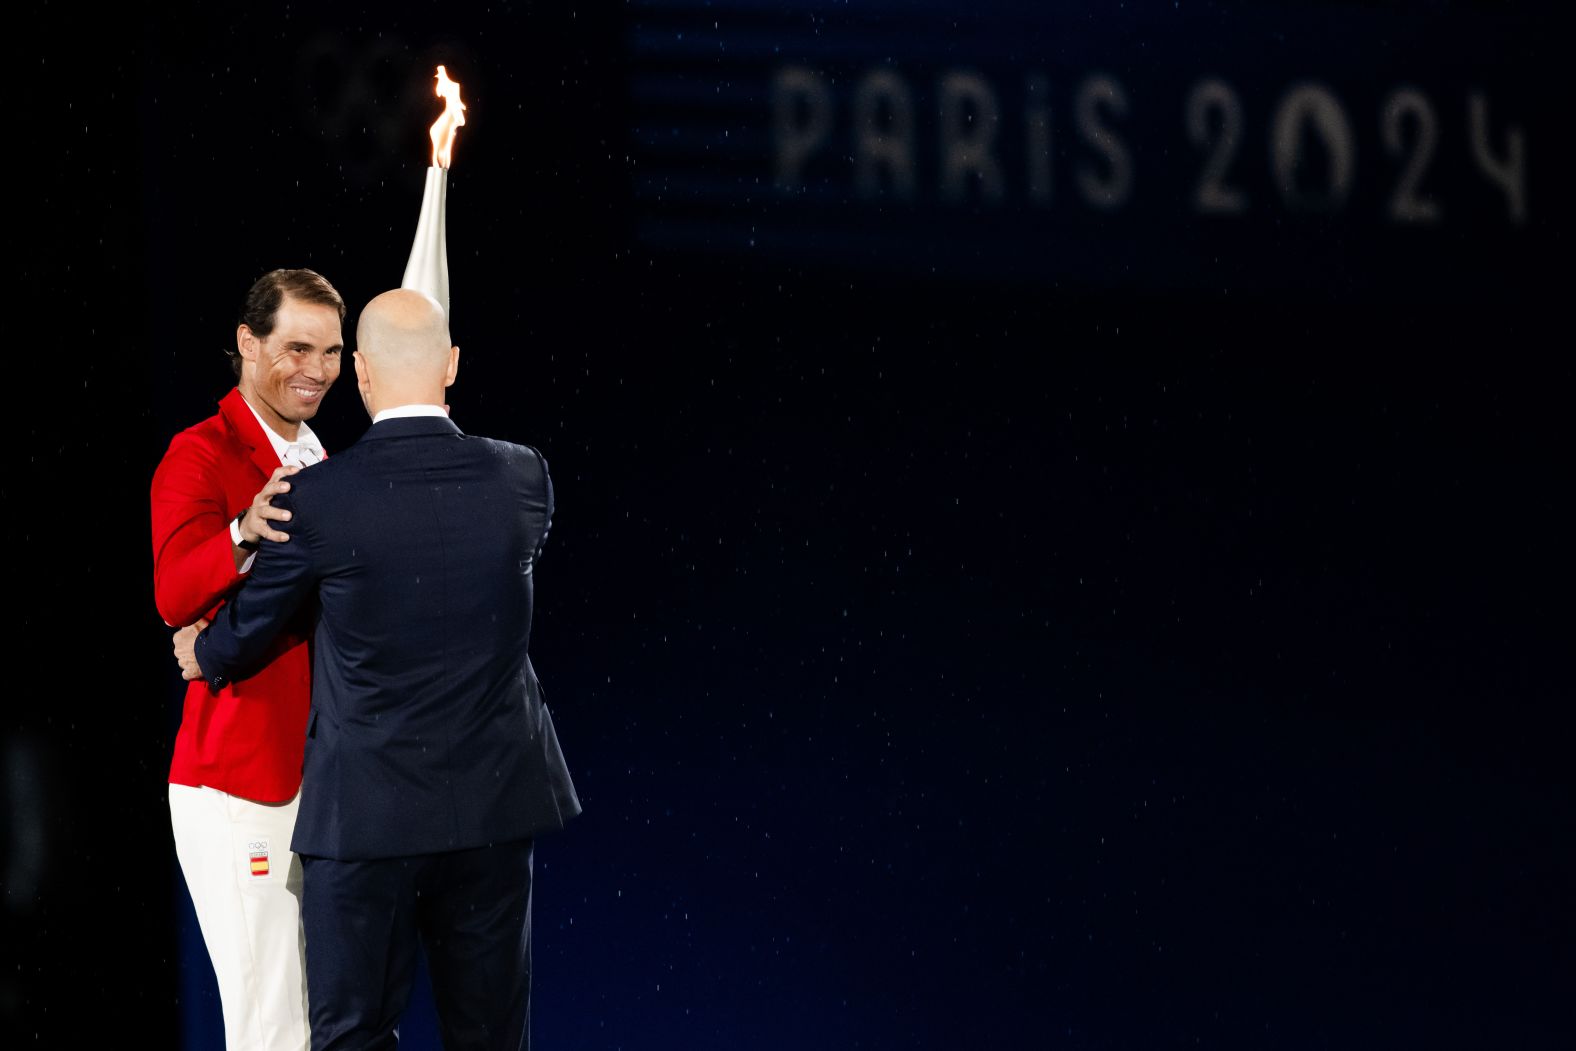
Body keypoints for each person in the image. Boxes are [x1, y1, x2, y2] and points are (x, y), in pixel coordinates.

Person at [175, 288, 581, 1050]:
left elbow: (252, 623)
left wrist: (205, 650)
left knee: (352, 1035)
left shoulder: (319, 497)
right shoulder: (523, 478)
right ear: (453, 364)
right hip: (492, 808)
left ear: (359, 373)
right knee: (491, 1036)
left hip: (368, 816)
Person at [150, 268, 347, 1051]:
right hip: (238, 781)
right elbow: (173, 595)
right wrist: (239, 533)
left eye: (332, 351)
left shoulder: (321, 454)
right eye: (297, 347)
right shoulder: (199, 452)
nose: (317, 369)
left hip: (316, 778)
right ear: (246, 343)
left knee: (306, 1021)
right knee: (272, 1028)